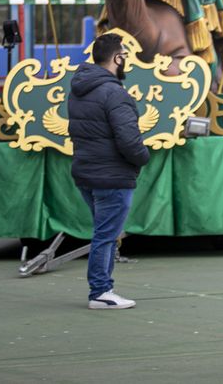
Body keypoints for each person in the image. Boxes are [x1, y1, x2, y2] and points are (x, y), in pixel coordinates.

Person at [68, 32, 151, 309]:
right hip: (112, 176)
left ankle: (102, 289)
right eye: (124, 55)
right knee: (105, 236)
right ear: (117, 58)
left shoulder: (80, 89)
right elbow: (129, 140)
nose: (125, 60)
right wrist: (143, 157)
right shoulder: (116, 94)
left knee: (102, 232)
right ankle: (101, 291)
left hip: (86, 173)